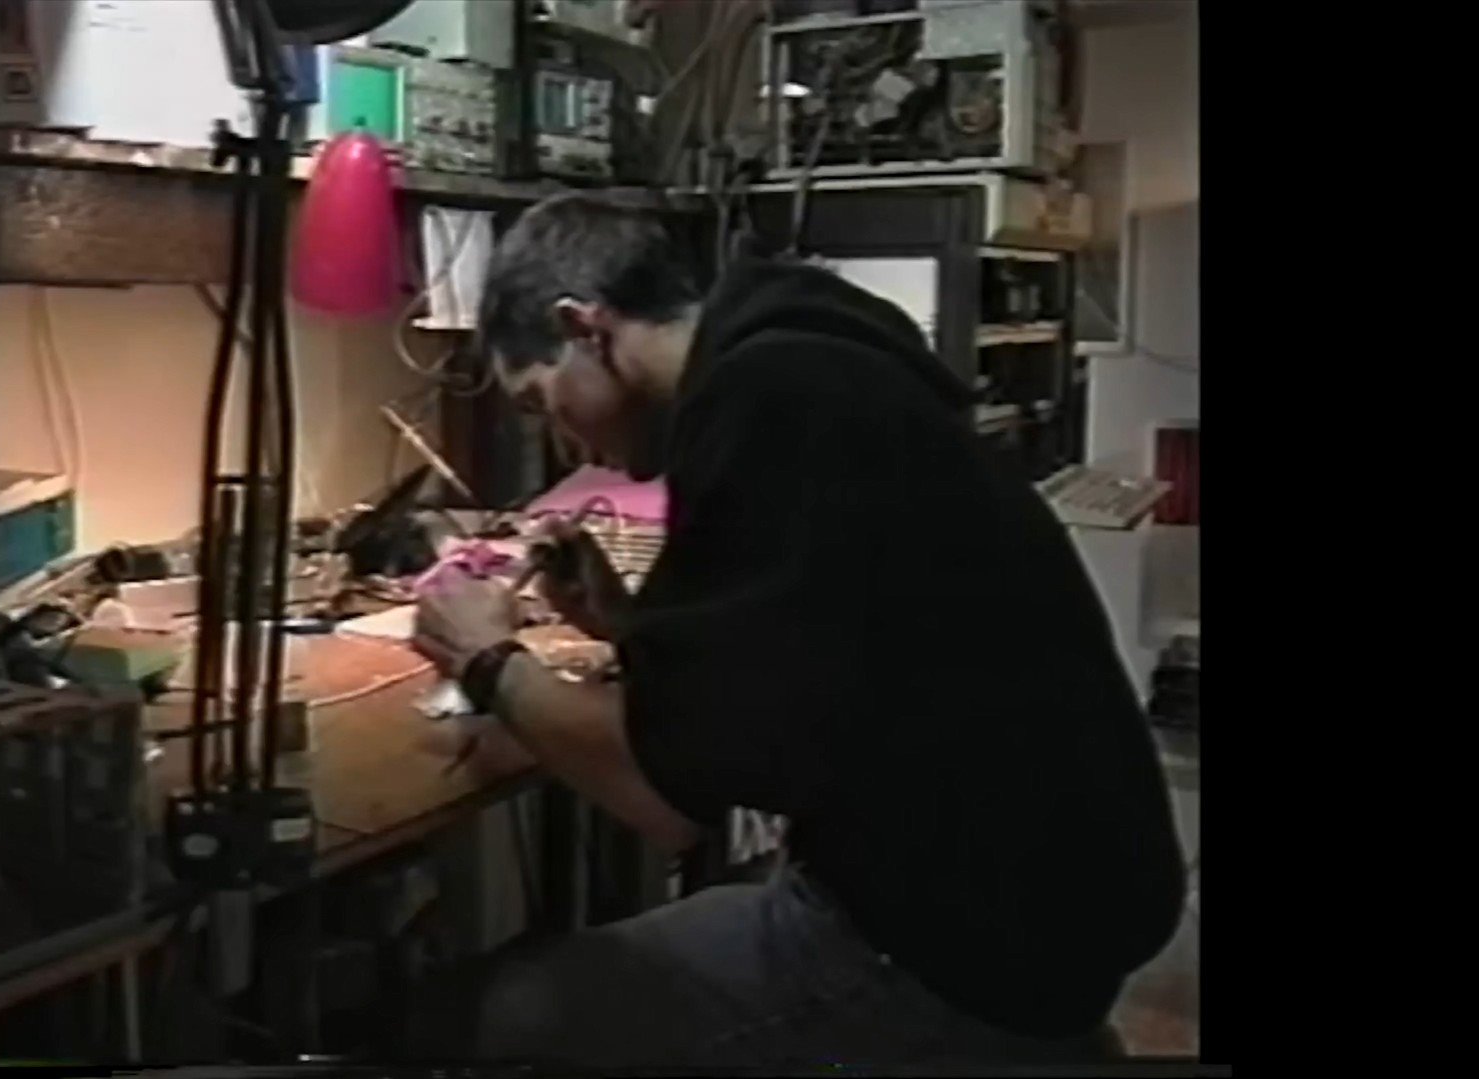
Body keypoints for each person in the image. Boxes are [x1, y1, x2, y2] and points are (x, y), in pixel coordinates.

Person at [406, 194, 1186, 1069]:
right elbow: (786, 672)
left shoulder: (769, 402)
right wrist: (620, 620)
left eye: (543, 401)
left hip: (956, 944)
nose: (565, 443)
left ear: (582, 328)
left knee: (502, 1015)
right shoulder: (815, 363)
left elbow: (661, 798)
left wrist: (486, 658)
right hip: (1036, 901)